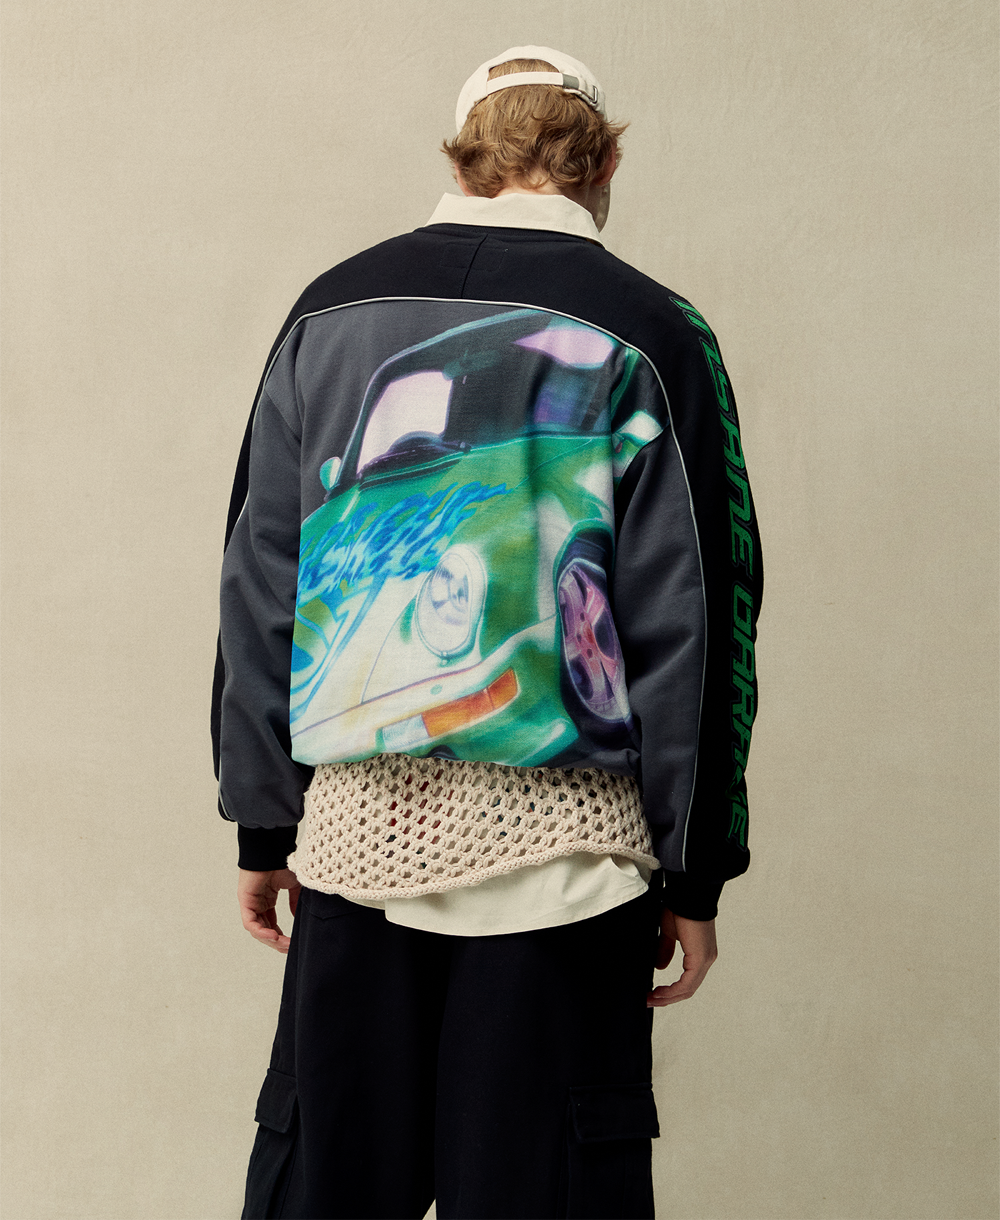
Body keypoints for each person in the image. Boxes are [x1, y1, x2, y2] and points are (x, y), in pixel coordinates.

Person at [213, 46, 762, 1220]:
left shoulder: (329, 309)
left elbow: (262, 574)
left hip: (352, 852)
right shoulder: (651, 329)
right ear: (604, 165)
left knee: (328, 1189)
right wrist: (695, 863)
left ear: (462, 158)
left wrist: (264, 816)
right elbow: (700, 614)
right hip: (563, 872)